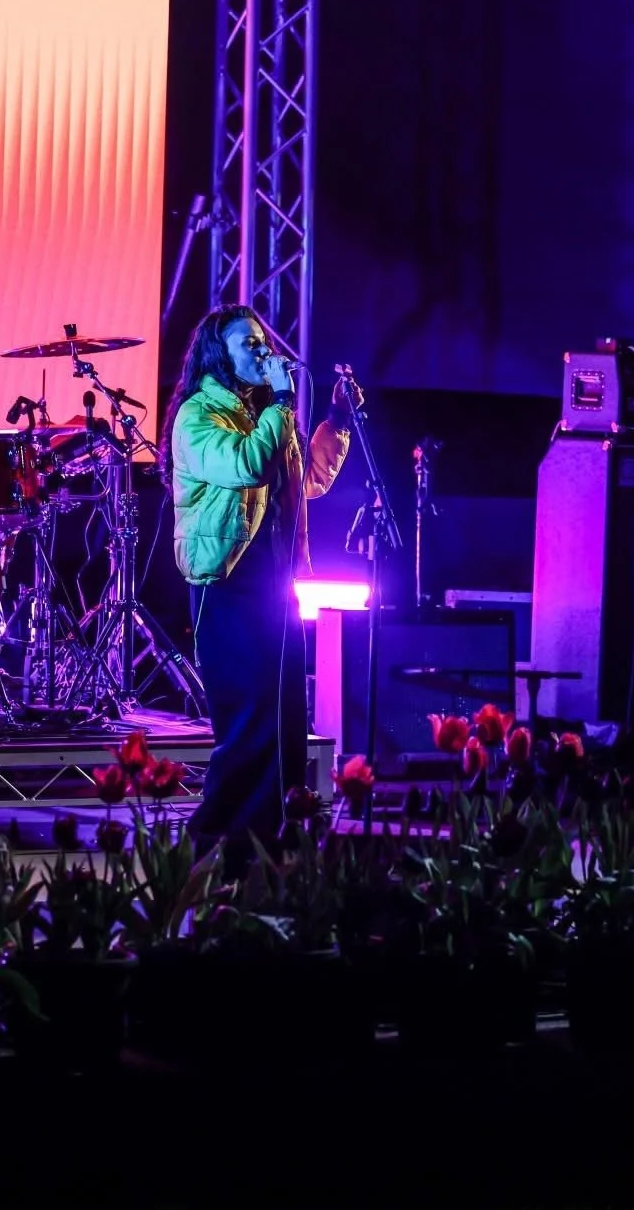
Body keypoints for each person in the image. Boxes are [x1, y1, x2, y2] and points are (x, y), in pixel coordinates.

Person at [166, 305, 358, 859]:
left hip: (276, 579)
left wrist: (336, 423)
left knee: (283, 718)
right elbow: (246, 466)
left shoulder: (261, 413)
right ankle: (210, 845)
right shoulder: (198, 416)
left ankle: (268, 842)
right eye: (246, 344)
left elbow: (309, 482)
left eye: (260, 341)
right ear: (216, 354)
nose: (260, 350)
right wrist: (279, 404)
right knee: (248, 717)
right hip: (226, 581)